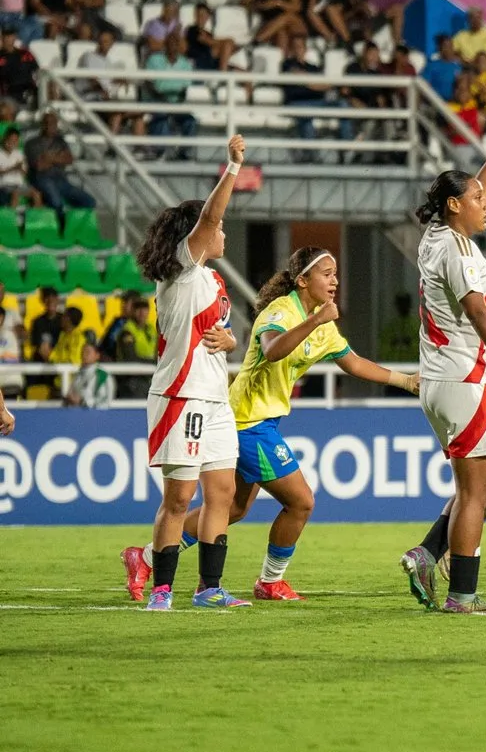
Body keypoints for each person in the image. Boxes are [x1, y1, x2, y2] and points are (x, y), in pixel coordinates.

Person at [165, 247, 420, 602]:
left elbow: (354, 363)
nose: (335, 281)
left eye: (336, 274)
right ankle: (270, 581)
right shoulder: (281, 311)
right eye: (326, 274)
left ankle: (148, 557)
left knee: (233, 509)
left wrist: (406, 381)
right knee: (301, 502)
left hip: (257, 421)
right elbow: (272, 350)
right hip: (246, 421)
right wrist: (315, 320)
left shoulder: (323, 323)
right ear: (302, 280)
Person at [397, 104, 486, 614]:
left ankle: (427, 551)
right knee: (477, 493)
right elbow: (479, 314)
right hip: (467, 378)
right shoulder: (457, 254)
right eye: (478, 199)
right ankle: (463, 596)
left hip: (442, 379)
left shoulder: (436, 235)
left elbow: (480, 183)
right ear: (455, 206)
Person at [118, 135, 249, 611]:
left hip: (215, 397)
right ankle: (160, 590)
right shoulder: (180, 269)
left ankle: (209, 588)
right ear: (195, 233)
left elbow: (217, 330)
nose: (223, 233)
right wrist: (233, 168)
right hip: (181, 396)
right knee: (179, 498)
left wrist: (232, 342)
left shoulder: (212, 278)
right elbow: (211, 217)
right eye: (217, 227)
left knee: (223, 493)